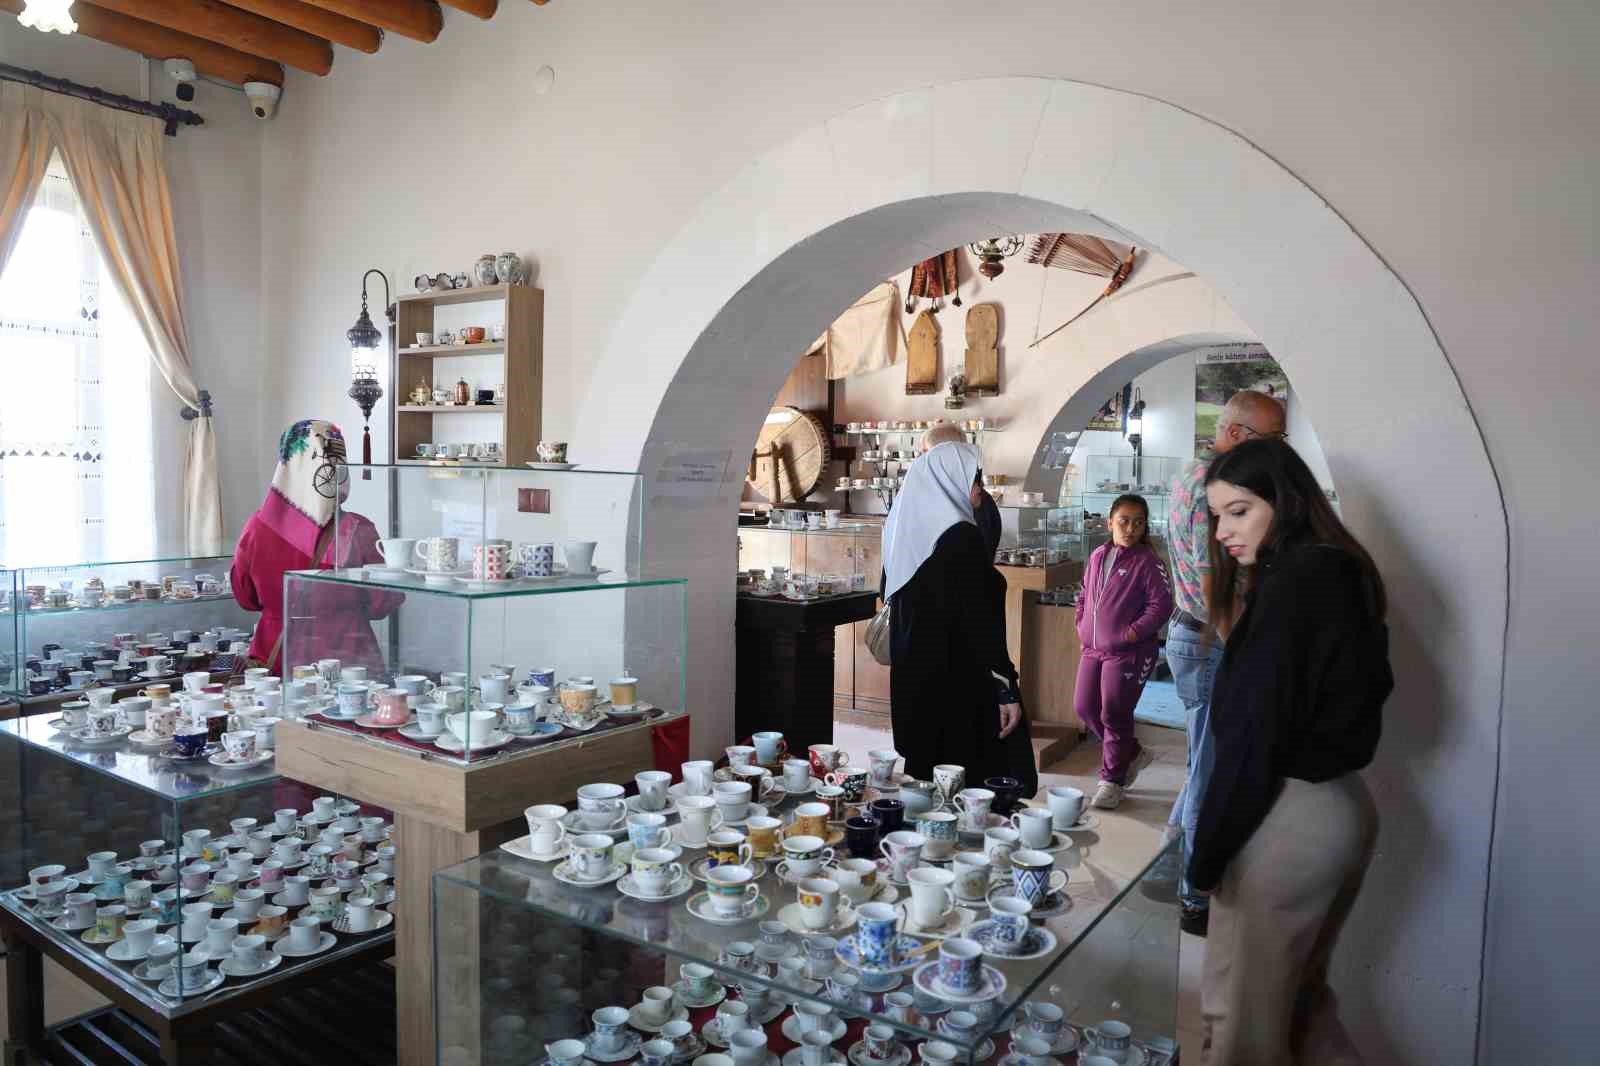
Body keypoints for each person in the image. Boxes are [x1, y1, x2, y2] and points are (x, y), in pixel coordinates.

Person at [1191, 439, 1391, 1065]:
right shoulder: (1333, 569)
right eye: (1217, 515)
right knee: (1298, 1010)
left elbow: (1257, 736)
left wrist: (1207, 854)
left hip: (1289, 816)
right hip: (1336, 807)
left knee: (1242, 1023)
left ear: (1288, 502)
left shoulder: (1298, 584)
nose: (1223, 531)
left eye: (1240, 511)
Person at [1166, 389, 1287, 934]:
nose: (1281, 450)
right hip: (1209, 638)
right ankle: (1195, 897)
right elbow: (1213, 579)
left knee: (1200, 760)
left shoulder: (1196, 475)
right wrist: (1242, 650)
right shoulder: (1211, 487)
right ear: (1238, 435)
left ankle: (1171, 858)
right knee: (1211, 773)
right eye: (1274, 440)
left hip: (1196, 633)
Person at [882, 440, 1023, 783]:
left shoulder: (902, 531)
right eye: (976, 482)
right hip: (956, 678)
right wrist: (1005, 686)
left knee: (922, 774)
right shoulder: (961, 537)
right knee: (961, 779)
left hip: (914, 675)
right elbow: (979, 621)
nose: (980, 493)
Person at [231, 420, 400, 674]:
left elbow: (246, 598)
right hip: (347, 663)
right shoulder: (358, 530)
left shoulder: (256, 528)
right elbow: (382, 604)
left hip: (276, 661)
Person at [1073, 493, 1174, 809]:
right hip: (1092, 648)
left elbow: (1162, 606)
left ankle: (1111, 781)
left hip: (1129, 652)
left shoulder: (1147, 561)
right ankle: (1130, 752)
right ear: (1110, 522)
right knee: (1085, 708)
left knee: (1114, 713)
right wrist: (1081, 625)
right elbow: (1083, 596)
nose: (1131, 528)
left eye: (1138, 522)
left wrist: (1131, 633)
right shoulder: (1098, 556)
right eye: (1124, 521)